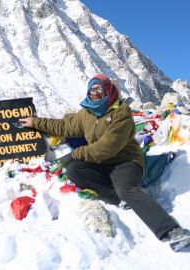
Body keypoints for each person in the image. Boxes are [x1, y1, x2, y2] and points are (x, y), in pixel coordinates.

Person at [20, 74, 190, 251]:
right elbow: (63, 127)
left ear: (107, 90)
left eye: (99, 89)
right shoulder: (86, 113)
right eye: (92, 89)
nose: (95, 93)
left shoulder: (121, 112)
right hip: (101, 163)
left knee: (126, 189)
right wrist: (35, 122)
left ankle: (171, 231)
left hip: (125, 161)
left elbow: (107, 147)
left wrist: (72, 155)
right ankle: (117, 199)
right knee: (74, 170)